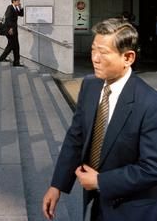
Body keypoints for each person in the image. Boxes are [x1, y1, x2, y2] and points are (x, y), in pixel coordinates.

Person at [43, 18, 157, 221]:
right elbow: (76, 137)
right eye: (93, 50)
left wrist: (101, 181)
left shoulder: (149, 104)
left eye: (103, 53)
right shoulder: (90, 85)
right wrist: (57, 185)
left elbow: (151, 168)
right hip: (96, 205)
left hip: (131, 210)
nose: (95, 58)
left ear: (128, 58)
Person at [0, 0, 24, 67]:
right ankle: (15, 62)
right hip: (10, 30)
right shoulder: (10, 7)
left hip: (13, 30)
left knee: (12, 45)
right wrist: (10, 29)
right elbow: (8, 19)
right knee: (14, 46)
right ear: (14, 1)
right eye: (18, 1)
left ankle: (3, 58)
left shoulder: (15, 8)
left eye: (19, 1)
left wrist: (20, 7)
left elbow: (21, 14)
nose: (19, 2)